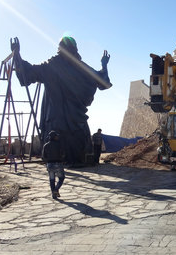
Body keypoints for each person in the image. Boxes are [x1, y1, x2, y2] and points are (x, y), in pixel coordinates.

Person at [10, 36, 112, 167]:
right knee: (74, 141)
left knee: (59, 141)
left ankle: (63, 160)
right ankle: (75, 160)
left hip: (55, 117)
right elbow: (103, 82)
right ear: (75, 49)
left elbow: (28, 73)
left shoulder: (52, 66)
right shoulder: (80, 67)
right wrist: (104, 65)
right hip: (75, 119)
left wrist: (17, 56)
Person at [42, 131, 65, 199]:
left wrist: (47, 162)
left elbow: (43, 156)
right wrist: (61, 159)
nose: (57, 137)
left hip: (49, 164)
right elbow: (63, 154)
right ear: (54, 137)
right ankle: (56, 190)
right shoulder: (59, 144)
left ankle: (54, 195)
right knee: (61, 178)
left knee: (52, 180)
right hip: (58, 163)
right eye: (56, 136)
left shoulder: (46, 145)